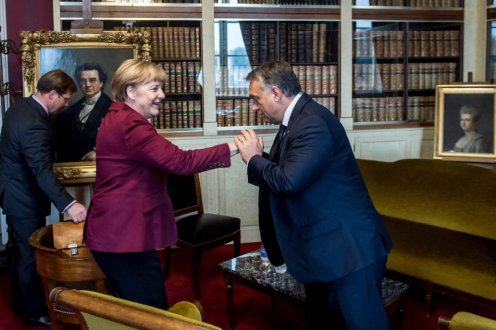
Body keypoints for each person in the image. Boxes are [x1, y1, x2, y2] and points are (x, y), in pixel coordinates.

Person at [234, 60, 393, 330]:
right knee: (324, 320)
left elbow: (288, 181)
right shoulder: (296, 120)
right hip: (323, 247)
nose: (253, 107)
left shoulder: (312, 123)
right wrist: (258, 160)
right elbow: (288, 173)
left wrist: (253, 159)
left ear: (275, 93)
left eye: (255, 99)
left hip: (348, 249)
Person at [84, 59, 238, 310]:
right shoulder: (131, 125)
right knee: (151, 312)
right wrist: (234, 146)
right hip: (122, 238)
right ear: (131, 92)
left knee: (133, 311)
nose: (162, 95)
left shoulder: (117, 116)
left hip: (117, 234)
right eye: (154, 88)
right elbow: (182, 162)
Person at [0, 69, 88, 326]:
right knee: (29, 254)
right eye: (66, 99)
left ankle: (21, 302)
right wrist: (70, 204)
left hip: (14, 191)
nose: (68, 104)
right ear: (52, 94)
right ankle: (31, 310)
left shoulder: (23, 106)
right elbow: (40, 169)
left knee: (20, 251)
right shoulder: (33, 123)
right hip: (22, 197)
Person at [55, 62, 112, 162]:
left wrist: (98, 152)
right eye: (83, 80)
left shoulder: (112, 108)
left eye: (92, 80)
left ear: (101, 83)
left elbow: (120, 141)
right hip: (71, 168)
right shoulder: (69, 111)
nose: (87, 85)